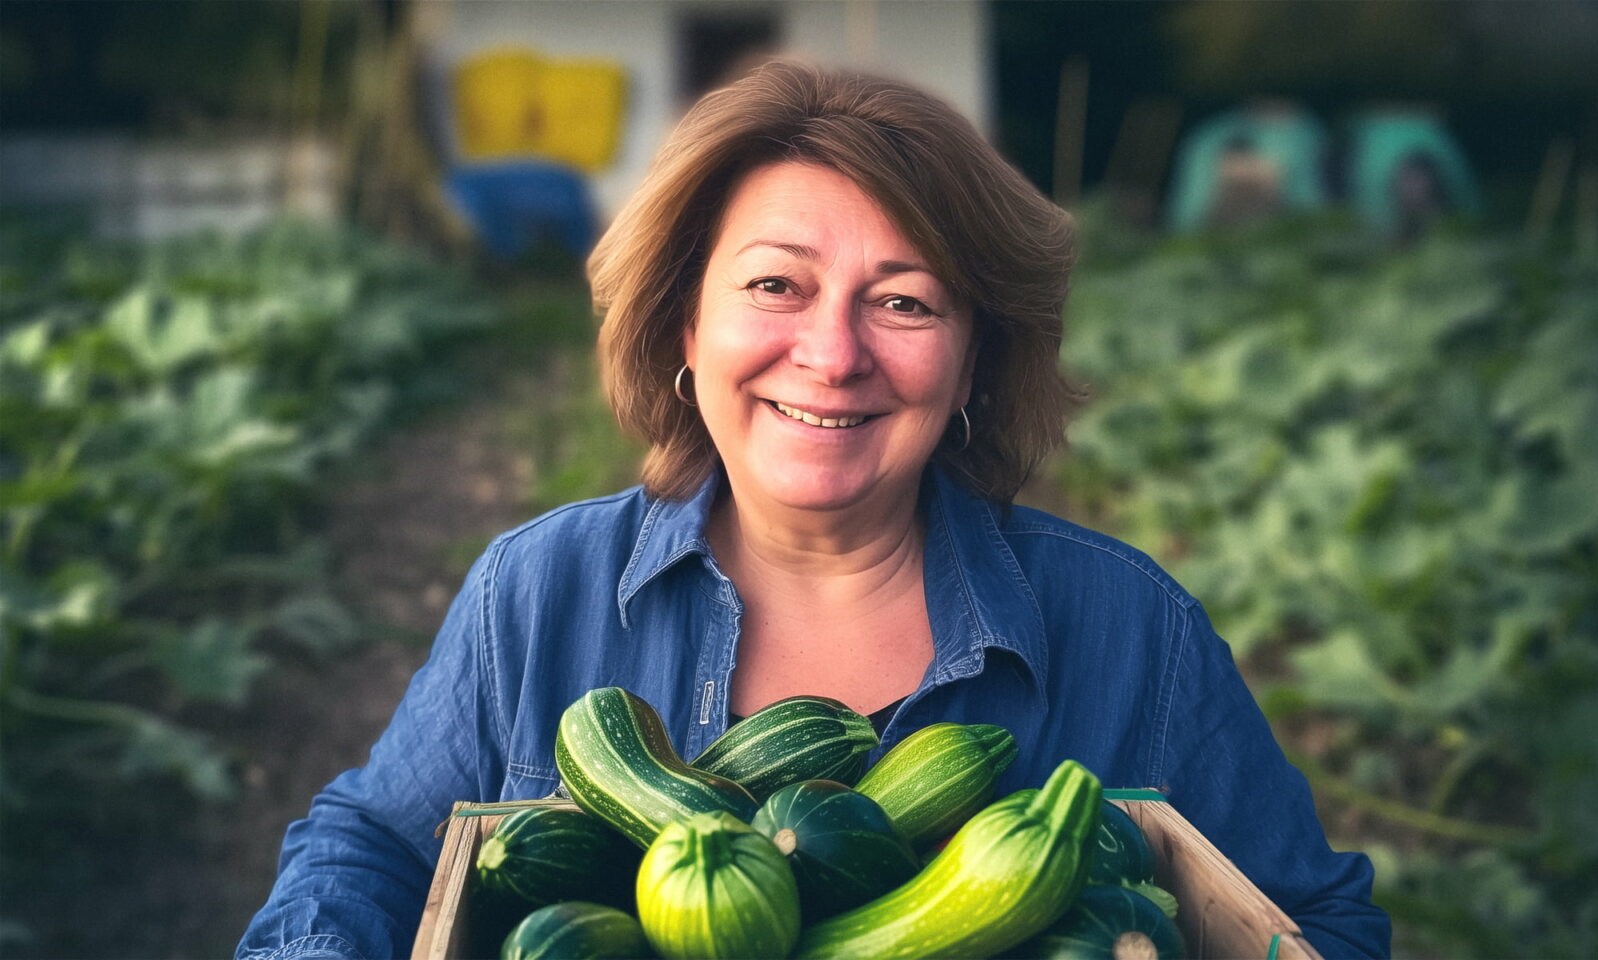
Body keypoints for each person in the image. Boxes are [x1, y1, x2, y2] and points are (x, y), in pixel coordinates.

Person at [238, 60, 1389, 960]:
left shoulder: (1130, 627)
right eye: (774, 285)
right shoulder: (539, 591)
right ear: (685, 327)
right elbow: (376, 846)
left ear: (975, 360)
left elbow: (1317, 921)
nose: (831, 355)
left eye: (903, 301)